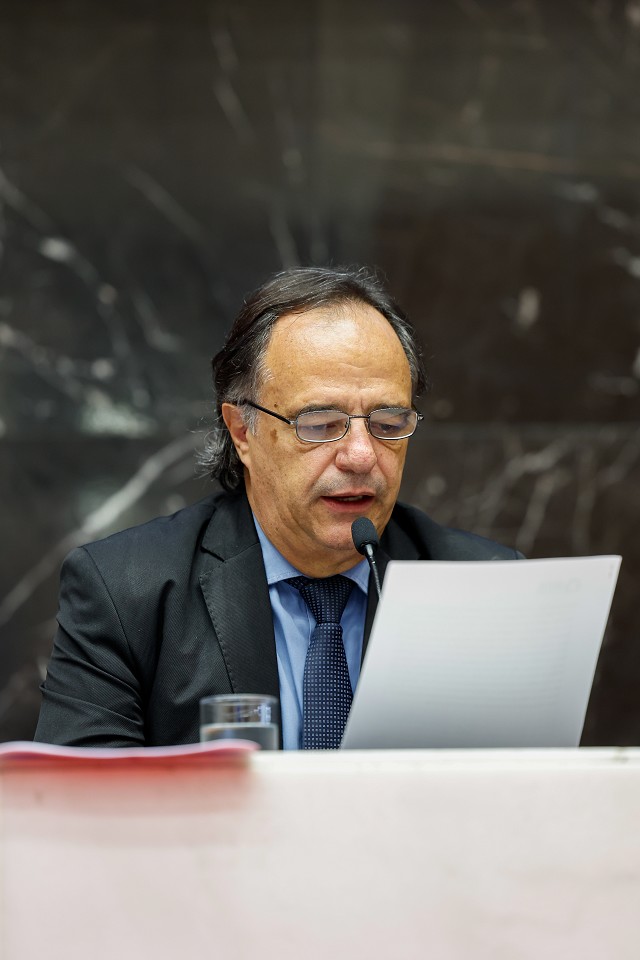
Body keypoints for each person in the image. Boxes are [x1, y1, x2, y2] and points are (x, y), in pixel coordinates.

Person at [35, 266, 520, 749]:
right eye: (321, 424)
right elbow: (84, 793)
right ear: (242, 431)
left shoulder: (485, 590)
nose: (361, 456)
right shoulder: (125, 592)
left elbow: (531, 784)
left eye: (388, 424)